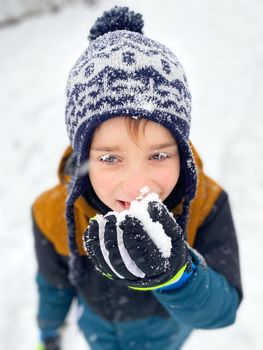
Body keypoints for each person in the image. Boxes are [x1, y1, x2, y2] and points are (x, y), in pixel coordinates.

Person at [32, 6, 242, 350]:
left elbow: (222, 311)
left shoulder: (207, 204)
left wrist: (178, 276)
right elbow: (53, 285)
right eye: (111, 158)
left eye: (158, 155)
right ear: (83, 156)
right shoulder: (52, 213)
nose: (137, 186)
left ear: (182, 151)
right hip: (99, 335)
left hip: (163, 338)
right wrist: (48, 330)